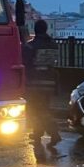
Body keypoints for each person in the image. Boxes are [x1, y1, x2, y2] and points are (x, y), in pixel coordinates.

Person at [22, 19, 62, 147]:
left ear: (35, 30)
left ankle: (53, 133)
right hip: (50, 81)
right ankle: (37, 133)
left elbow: (25, 63)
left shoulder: (31, 46)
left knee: (37, 110)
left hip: (35, 82)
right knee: (44, 108)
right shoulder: (53, 44)